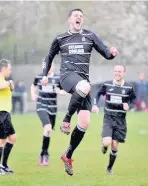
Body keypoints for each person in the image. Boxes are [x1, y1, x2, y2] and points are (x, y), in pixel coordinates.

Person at [41, 8, 118, 176]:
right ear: (69, 19)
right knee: (84, 86)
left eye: (81, 16)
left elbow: (105, 52)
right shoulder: (60, 38)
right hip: (67, 77)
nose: (79, 18)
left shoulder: (90, 36)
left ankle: (67, 155)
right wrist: (44, 75)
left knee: (84, 122)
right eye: (76, 15)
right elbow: (49, 57)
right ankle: (66, 119)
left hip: (83, 83)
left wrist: (111, 54)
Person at [92, 65, 136, 174]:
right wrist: (95, 105)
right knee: (107, 142)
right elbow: (97, 94)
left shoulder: (129, 87)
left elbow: (133, 101)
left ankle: (109, 168)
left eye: (119, 71)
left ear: (124, 73)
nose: (117, 73)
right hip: (108, 117)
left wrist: (129, 106)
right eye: (115, 71)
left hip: (121, 120)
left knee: (115, 145)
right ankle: (104, 144)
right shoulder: (107, 84)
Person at [31, 63, 65, 166]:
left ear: (53, 67)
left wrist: (59, 91)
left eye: (50, 66)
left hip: (52, 108)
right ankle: (44, 153)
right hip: (41, 105)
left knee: (48, 132)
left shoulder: (58, 78)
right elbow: (33, 85)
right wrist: (33, 94)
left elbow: (64, 90)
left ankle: (44, 151)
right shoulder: (39, 76)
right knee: (48, 128)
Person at [0, 59, 16, 175]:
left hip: (5, 114)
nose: (10, 71)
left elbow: (11, 88)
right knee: (0, 141)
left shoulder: (4, 80)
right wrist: (9, 82)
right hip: (0, 114)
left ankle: (4, 165)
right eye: (9, 69)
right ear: (4, 69)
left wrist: (10, 84)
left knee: (12, 138)